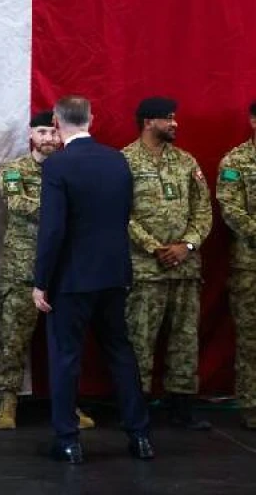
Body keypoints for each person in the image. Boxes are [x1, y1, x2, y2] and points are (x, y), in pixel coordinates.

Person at [33, 95, 152, 464]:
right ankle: (140, 436)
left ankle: (68, 441)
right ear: (91, 119)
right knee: (120, 352)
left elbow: (53, 230)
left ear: (56, 121)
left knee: (66, 358)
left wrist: (41, 281)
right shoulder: (118, 160)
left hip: (71, 279)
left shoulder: (58, 166)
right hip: (115, 274)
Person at [0, 111, 94, 431]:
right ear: (31, 135)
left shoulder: (73, 169)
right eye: (42, 132)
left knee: (67, 343)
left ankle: (68, 404)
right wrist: (63, 210)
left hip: (64, 270)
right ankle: (7, 402)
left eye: (53, 132)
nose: (49, 138)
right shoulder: (14, 170)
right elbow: (17, 204)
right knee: (13, 338)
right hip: (22, 269)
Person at [122, 97, 212, 430]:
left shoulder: (187, 162)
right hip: (146, 270)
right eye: (169, 119)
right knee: (139, 339)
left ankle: (182, 406)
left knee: (185, 339)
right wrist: (155, 247)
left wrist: (187, 245)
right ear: (149, 122)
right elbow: (120, 212)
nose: (175, 124)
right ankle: (136, 408)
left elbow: (203, 211)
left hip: (186, 268)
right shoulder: (125, 161)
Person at [216, 101, 256, 430]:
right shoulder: (236, 161)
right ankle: (252, 404)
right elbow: (230, 209)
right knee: (251, 338)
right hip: (250, 266)